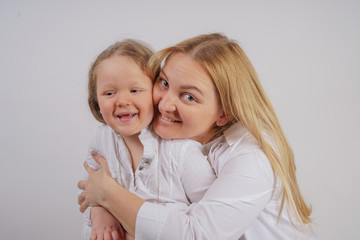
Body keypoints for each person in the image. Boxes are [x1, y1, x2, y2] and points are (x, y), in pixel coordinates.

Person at [78, 33, 317, 239]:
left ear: (224, 114)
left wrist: (108, 194)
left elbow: (196, 235)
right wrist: (100, 208)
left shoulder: (252, 159)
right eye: (163, 82)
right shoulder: (163, 142)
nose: (165, 104)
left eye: (189, 97)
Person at [82, 39, 216, 240]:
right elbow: (89, 191)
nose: (123, 101)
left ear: (155, 92)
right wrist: (99, 212)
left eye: (135, 90)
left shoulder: (181, 151)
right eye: (109, 93)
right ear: (96, 101)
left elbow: (209, 219)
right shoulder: (101, 139)